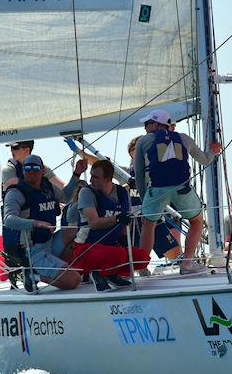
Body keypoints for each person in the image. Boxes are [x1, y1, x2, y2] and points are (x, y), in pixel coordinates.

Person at [133, 109, 221, 275]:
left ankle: (142, 268)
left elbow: (139, 174)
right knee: (197, 221)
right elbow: (204, 160)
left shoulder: (143, 141)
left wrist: (145, 198)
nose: (145, 128)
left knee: (148, 223)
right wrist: (213, 152)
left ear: (158, 124)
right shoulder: (185, 138)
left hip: (157, 189)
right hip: (182, 188)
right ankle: (187, 264)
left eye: (148, 124)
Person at [3, 154, 86, 290]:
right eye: (27, 168)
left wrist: (76, 173)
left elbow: (65, 196)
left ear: (42, 171)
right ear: (23, 171)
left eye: (35, 168)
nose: (31, 171)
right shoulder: (16, 193)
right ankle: (33, 275)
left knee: (76, 232)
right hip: (33, 250)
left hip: (49, 241)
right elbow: (8, 220)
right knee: (74, 281)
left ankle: (59, 267)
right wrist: (36, 223)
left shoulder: (47, 187)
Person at [69, 159, 151, 292]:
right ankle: (98, 272)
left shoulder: (122, 192)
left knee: (142, 258)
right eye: (91, 175)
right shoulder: (87, 193)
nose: (90, 180)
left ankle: (110, 274)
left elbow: (125, 219)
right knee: (118, 255)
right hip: (86, 248)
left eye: (95, 177)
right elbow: (94, 223)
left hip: (111, 246)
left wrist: (124, 236)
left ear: (108, 178)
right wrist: (117, 218)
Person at [126, 136, 182, 264]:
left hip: (155, 218)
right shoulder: (125, 174)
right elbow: (104, 166)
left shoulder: (159, 170)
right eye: (133, 155)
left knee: (176, 255)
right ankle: (141, 270)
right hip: (135, 222)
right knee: (135, 260)